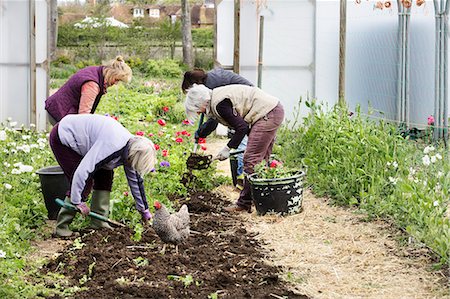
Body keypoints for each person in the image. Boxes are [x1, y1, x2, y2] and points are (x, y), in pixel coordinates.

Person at [49, 114, 157, 237]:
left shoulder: (131, 149)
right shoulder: (113, 146)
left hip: (89, 142)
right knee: (85, 183)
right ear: (132, 156)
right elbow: (82, 171)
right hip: (64, 137)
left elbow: (135, 182)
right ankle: (62, 228)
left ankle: (98, 221)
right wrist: (77, 201)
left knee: (105, 176)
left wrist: (144, 211)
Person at [184, 84, 284, 213]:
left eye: (197, 109)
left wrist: (228, 148)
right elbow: (217, 123)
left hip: (267, 113)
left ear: (201, 102)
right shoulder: (215, 99)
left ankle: (244, 204)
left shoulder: (220, 104)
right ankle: (264, 200)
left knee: (250, 160)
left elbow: (241, 127)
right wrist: (201, 133)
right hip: (272, 110)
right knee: (260, 161)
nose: (198, 113)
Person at [182, 68, 253, 184]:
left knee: (243, 141)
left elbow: (213, 120)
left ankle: (242, 178)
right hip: (241, 102)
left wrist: (201, 132)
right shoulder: (209, 81)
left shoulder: (212, 88)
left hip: (247, 102)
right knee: (241, 137)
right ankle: (241, 178)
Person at [45, 55, 132, 125]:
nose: (116, 83)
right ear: (111, 74)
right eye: (116, 80)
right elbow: (83, 116)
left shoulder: (97, 71)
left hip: (59, 108)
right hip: (59, 112)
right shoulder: (92, 85)